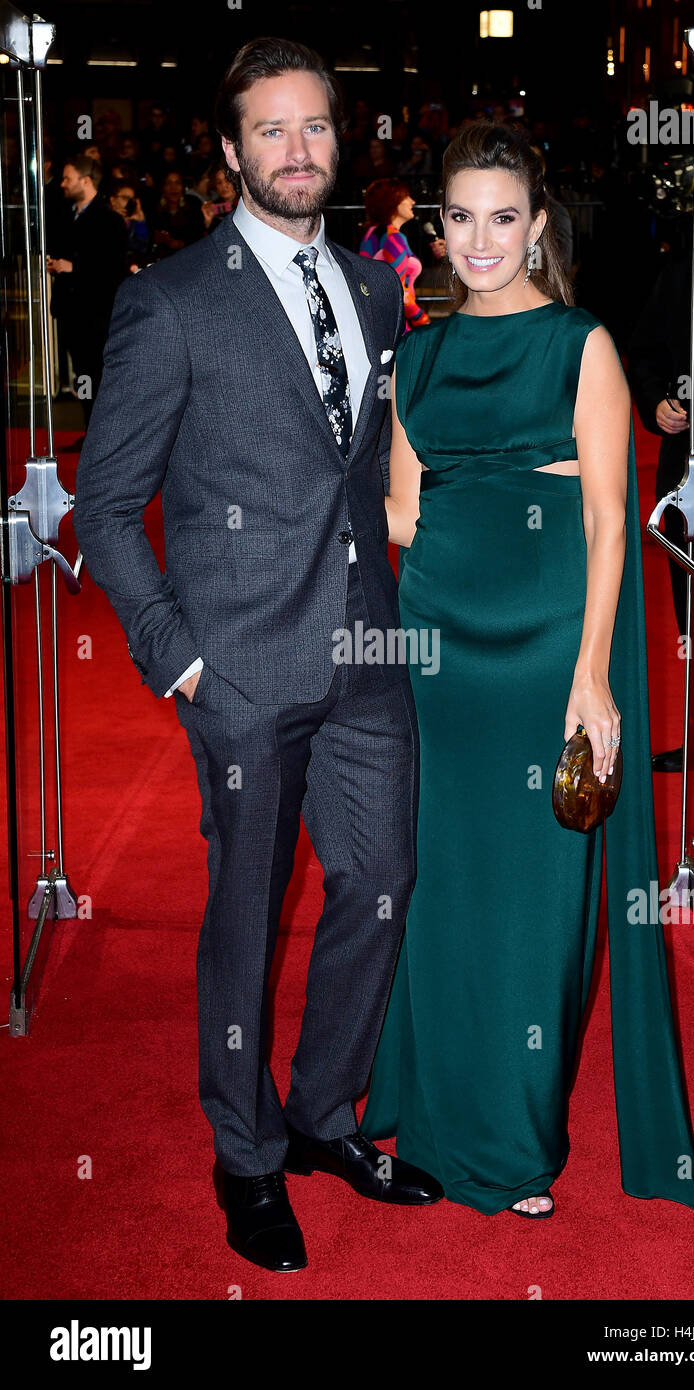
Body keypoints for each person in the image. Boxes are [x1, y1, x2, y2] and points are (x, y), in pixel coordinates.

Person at [72, 37, 443, 1277]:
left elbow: (372, 469)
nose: (298, 152)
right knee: (242, 916)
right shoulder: (169, 299)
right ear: (231, 151)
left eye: (317, 129)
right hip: (235, 672)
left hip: (366, 659)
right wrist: (181, 661)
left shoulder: (376, 288)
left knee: (379, 882)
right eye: (271, 132)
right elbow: (106, 507)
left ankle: (320, 1115)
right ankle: (244, 1155)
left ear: (342, 143)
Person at [360, 121, 694, 1231]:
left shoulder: (581, 344)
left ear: (536, 227)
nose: (478, 239)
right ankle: (429, 1117)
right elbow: (405, 514)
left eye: (500, 217)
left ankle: (514, 1143)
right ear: (437, 227)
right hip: (438, 651)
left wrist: (594, 675)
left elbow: (610, 523)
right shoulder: (415, 355)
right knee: (442, 890)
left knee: (537, 907)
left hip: (548, 649)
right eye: (458, 216)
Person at [46, 154, 127, 426]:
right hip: (71, 310)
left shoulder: (109, 220)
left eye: (68, 178)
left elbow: (113, 267)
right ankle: (89, 428)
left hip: (96, 312)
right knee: (82, 373)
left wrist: (74, 267)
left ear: (86, 180)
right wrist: (56, 263)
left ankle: (102, 433)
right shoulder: (68, 216)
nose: (62, 184)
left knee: (97, 372)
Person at [359, 179, 433, 330]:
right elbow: (399, 292)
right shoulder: (393, 238)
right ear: (392, 202)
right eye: (406, 197)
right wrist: (422, 319)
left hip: (377, 319)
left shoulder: (372, 234)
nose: (412, 202)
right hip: (396, 324)